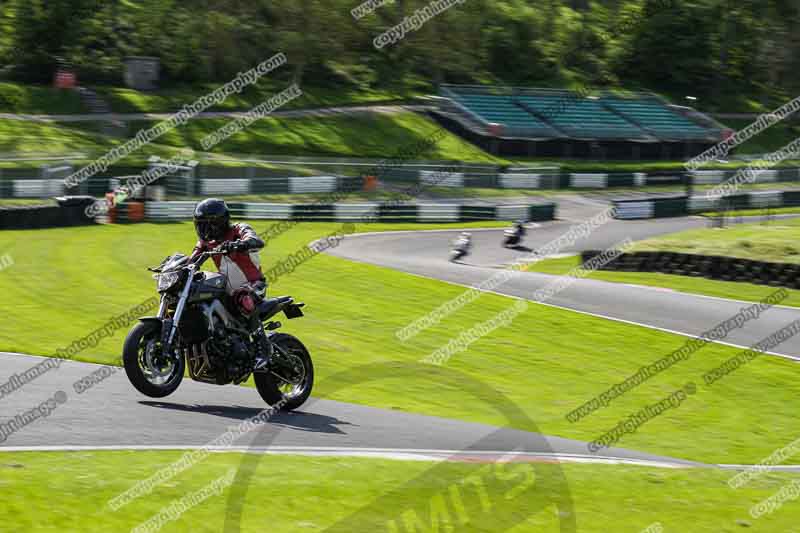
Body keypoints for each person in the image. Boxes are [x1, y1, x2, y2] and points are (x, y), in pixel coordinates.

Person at [190, 198, 266, 317]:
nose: (203, 230)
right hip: (225, 289)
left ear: (219, 222)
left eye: (206, 225)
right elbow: (192, 260)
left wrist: (240, 244)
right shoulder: (206, 241)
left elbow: (257, 241)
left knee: (244, 300)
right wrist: (176, 266)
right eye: (200, 225)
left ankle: (256, 332)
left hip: (253, 285)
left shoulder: (239, 229)